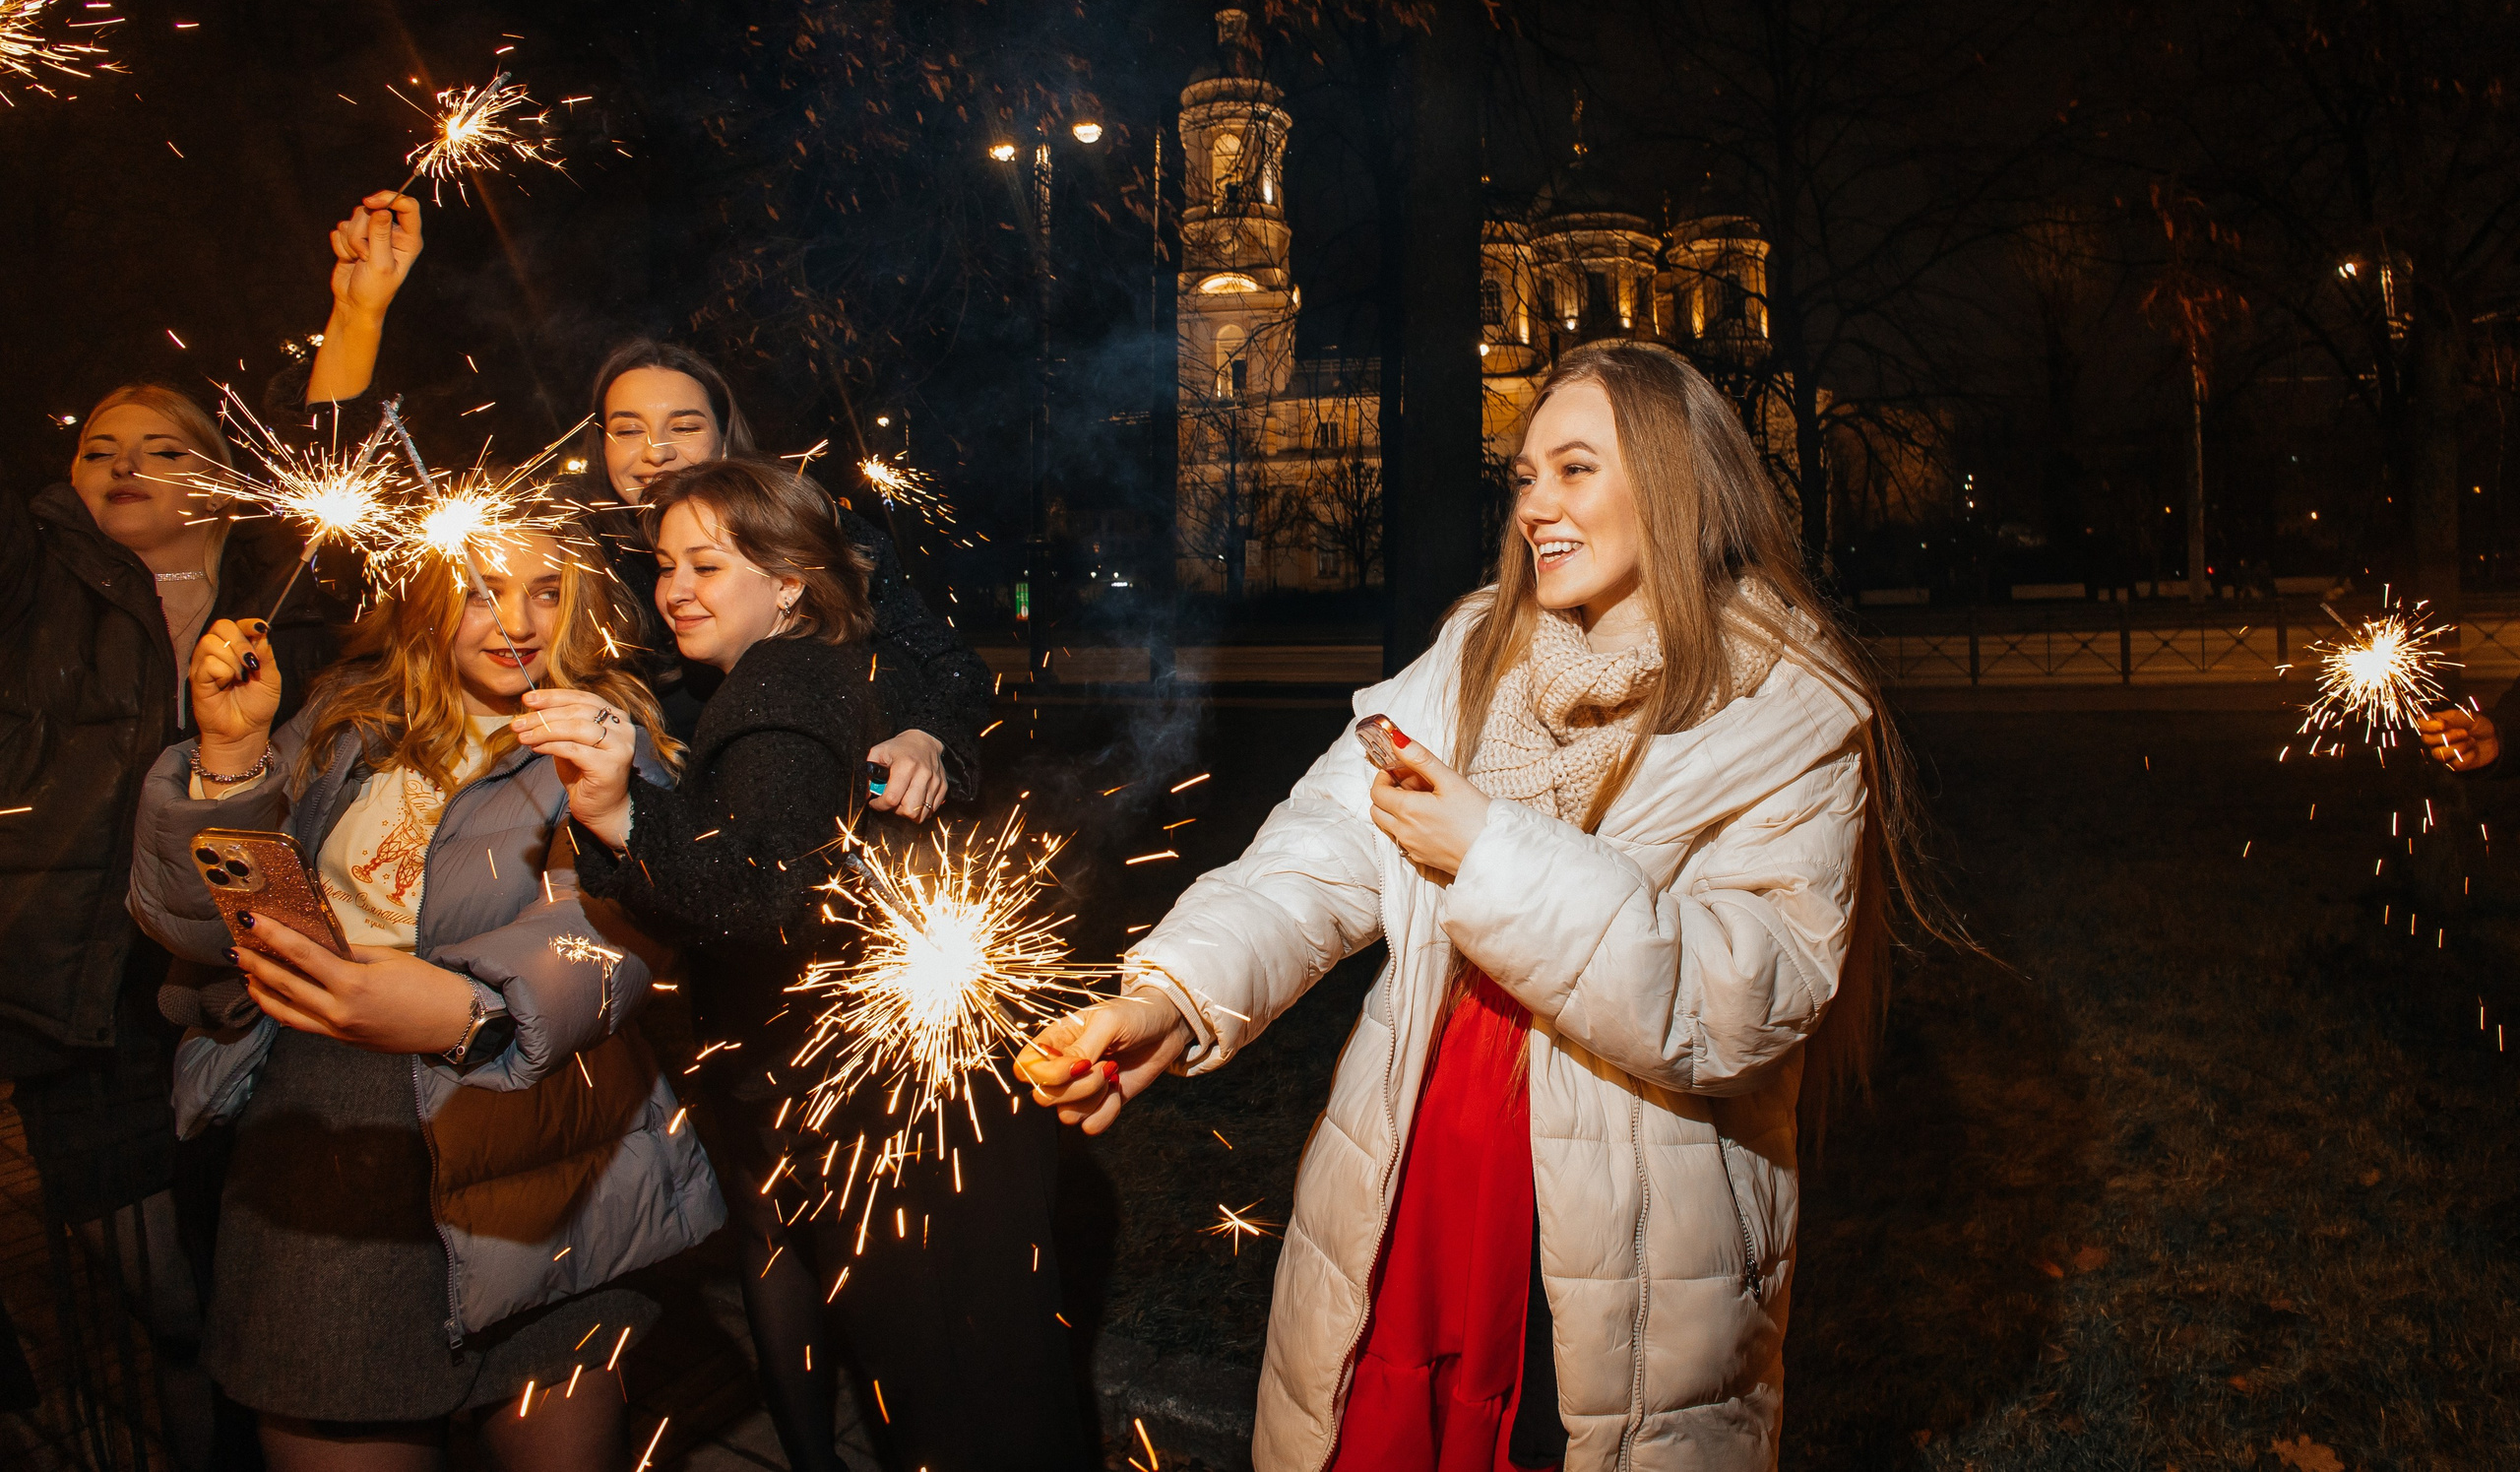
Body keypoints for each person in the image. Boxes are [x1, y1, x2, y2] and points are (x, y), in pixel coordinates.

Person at [1023, 344, 1940, 1472]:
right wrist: (1174, 994)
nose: (1534, 509)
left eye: (1573, 471)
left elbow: (1740, 999)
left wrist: (1488, 856)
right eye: (1522, 478)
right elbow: (1318, 857)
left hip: (1619, 1231)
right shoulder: (1475, 656)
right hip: (1415, 1175)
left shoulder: (1784, 713)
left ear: (1672, 480)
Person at [122, 516, 723, 1471]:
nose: (515, 620)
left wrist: (464, 1015)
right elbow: (205, 927)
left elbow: (619, 941)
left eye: (546, 590)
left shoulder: (609, 737)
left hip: (538, 1159)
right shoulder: (343, 725)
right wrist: (230, 758)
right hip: (330, 1160)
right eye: (482, 588)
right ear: (429, 596)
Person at [536, 457, 1089, 1472]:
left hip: (887, 1112)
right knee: (992, 1375)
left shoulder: (775, 692)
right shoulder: (843, 667)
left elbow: (761, 894)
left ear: (789, 581)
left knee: (941, 1394)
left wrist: (615, 813)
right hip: (937, 1085)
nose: (676, 590)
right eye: (665, 566)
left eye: (708, 563)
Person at [0, 187, 415, 1467]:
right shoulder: (28, 579)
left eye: (162, 446)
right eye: (98, 447)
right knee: (155, 1296)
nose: (123, 463)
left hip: (241, 987)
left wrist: (353, 317)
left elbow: (352, 504)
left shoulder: (282, 599)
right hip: (71, 1001)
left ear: (223, 482)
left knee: (236, 1287)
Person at [301, 316, 988, 820]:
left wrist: (923, 737)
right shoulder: (569, 545)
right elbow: (364, 520)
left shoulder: (804, 533)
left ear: (725, 434)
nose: (654, 450)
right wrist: (360, 309)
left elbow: (940, 662)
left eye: (683, 425)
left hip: (778, 835)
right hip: (607, 834)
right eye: (627, 428)